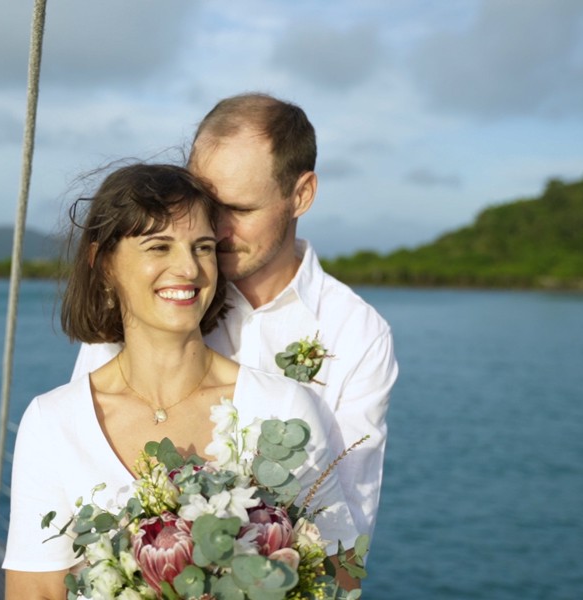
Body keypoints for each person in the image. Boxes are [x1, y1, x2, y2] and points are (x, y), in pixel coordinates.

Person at [3, 163, 358, 599]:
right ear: (103, 264)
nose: (188, 268)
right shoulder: (52, 422)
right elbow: (35, 590)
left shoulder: (282, 408)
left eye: (203, 247)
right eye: (159, 246)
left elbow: (339, 575)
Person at [71, 93, 399, 551]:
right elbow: (83, 464)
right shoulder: (152, 298)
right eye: (208, 202)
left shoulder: (357, 333)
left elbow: (346, 529)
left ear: (301, 194)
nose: (216, 230)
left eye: (241, 210)